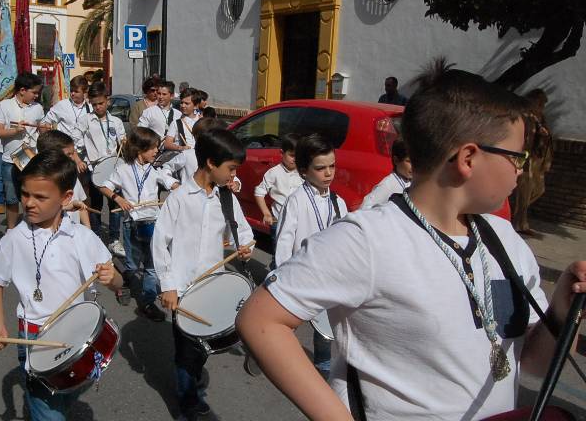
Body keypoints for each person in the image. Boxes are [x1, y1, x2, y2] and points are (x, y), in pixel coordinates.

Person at [236, 59, 586, 420]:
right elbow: (261, 321)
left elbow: (534, 363)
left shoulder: (507, 242)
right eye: (517, 156)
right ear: (468, 158)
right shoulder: (368, 240)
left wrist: (564, 306)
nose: (521, 169)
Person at [0, 149, 122, 421]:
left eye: (40, 197)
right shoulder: (13, 239)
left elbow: (116, 279)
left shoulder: (82, 237)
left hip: (78, 336)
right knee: (48, 411)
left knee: (65, 396)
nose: (29, 203)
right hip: (34, 337)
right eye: (25, 194)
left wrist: (111, 278)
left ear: (66, 198)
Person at [152, 128, 254, 420]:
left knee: (202, 346)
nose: (233, 175)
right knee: (186, 352)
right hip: (183, 289)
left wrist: (244, 246)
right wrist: (168, 286)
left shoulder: (226, 198)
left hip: (212, 286)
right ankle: (187, 404)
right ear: (211, 163)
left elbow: (241, 232)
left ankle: (192, 384)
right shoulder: (180, 198)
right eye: (231, 169)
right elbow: (160, 244)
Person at [273, 133, 348, 378]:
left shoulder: (339, 202)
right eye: (321, 168)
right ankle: (277, 359)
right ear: (304, 170)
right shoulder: (295, 201)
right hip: (299, 277)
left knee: (324, 333)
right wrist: (283, 277)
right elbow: (284, 241)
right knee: (289, 325)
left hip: (327, 279)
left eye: (332, 166)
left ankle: (322, 368)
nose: (329, 173)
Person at [100, 127, 178, 321]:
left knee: (152, 266)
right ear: (138, 150)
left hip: (154, 223)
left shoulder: (154, 170)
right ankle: (124, 283)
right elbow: (104, 186)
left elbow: (170, 182)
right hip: (131, 224)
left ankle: (148, 302)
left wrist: (180, 188)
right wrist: (118, 199)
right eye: (152, 148)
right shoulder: (123, 170)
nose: (156, 152)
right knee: (133, 265)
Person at [72, 81, 127, 256]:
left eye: (100, 103)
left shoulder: (116, 121)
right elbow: (72, 142)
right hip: (94, 168)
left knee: (115, 204)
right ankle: (94, 238)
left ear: (108, 101)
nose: (97, 107)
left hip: (114, 168)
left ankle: (113, 240)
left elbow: (122, 141)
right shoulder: (85, 120)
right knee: (95, 205)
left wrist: (125, 144)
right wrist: (77, 160)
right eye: (94, 104)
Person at [0, 72, 49, 229]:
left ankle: (30, 229)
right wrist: (15, 131)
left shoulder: (38, 108)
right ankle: (11, 231)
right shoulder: (5, 105)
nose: (37, 96)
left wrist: (46, 129)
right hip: (10, 160)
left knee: (31, 197)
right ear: (22, 90)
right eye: (34, 92)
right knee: (11, 199)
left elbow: (42, 130)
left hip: (31, 159)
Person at [253, 133, 302, 268]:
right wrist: (266, 213)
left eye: (299, 156)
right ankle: (275, 277)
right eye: (292, 155)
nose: (295, 159)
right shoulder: (273, 173)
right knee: (280, 253)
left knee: (297, 253)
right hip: (279, 221)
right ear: (282, 153)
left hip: (299, 222)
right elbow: (259, 192)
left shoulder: (304, 173)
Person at [511, 89, 554, 235]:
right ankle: (519, 223)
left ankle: (516, 217)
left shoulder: (539, 117)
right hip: (523, 156)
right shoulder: (523, 116)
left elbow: (546, 137)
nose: (542, 106)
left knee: (538, 189)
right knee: (523, 191)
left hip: (536, 158)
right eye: (540, 103)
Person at [35, 129, 90, 227]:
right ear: (51, 155)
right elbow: (39, 212)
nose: (73, 158)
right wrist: (68, 207)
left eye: (73, 153)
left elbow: (81, 207)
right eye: (69, 154)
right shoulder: (38, 183)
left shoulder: (73, 177)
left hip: (73, 235)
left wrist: (88, 229)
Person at [161, 118, 227, 185]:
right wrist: (173, 184)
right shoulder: (188, 155)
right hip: (188, 194)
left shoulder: (221, 157)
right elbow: (165, 169)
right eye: (195, 137)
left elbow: (229, 173)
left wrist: (236, 183)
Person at [360, 138, 412, 209]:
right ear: (396, 160)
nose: (414, 166)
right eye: (409, 161)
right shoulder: (387, 185)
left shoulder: (413, 182)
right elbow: (364, 208)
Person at [41, 75, 92, 140]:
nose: (72, 94)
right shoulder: (62, 105)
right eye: (71, 90)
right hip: (63, 146)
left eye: (76, 91)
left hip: (83, 148)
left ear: (85, 91)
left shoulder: (90, 108)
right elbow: (47, 122)